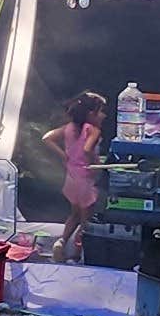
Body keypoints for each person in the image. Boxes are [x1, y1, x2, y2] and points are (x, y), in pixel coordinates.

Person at [43, 90, 111, 263]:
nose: (104, 115)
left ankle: (61, 242)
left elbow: (47, 138)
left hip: (71, 177)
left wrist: (64, 156)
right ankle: (77, 254)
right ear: (91, 114)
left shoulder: (69, 128)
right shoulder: (93, 130)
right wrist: (96, 163)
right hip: (85, 179)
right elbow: (87, 149)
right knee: (85, 220)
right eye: (101, 111)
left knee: (73, 214)